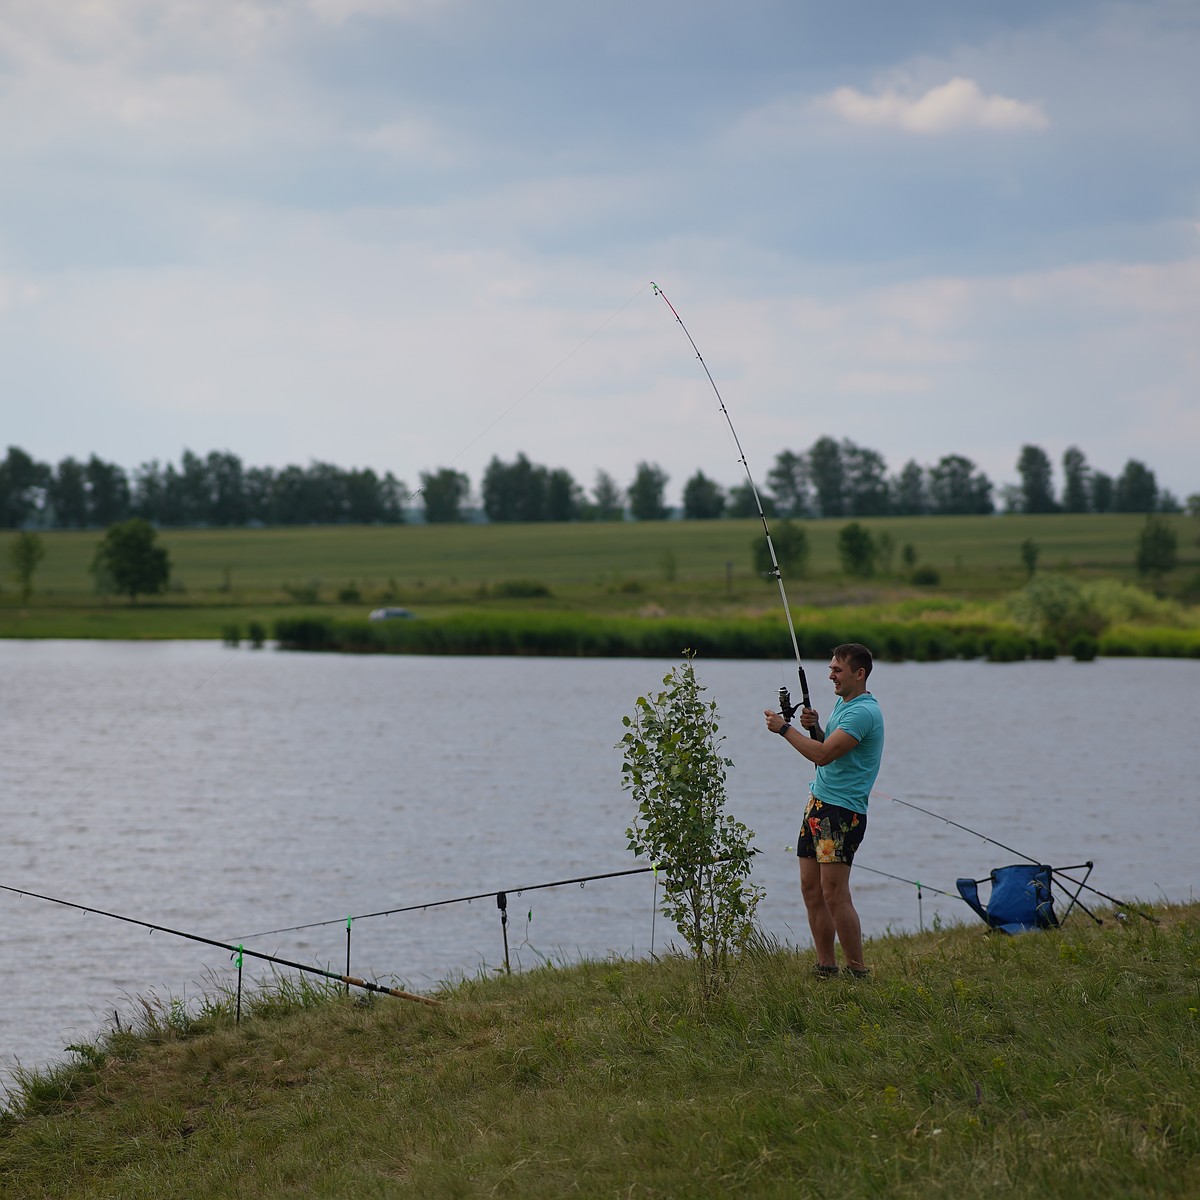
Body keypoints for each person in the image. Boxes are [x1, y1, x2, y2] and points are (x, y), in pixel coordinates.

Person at [764, 643, 884, 978]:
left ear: (859, 674)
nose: (831, 675)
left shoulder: (863, 712)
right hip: (818, 804)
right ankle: (826, 967)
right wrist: (815, 728)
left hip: (841, 812)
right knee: (811, 888)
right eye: (830, 668)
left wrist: (785, 729)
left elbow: (823, 756)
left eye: (837, 670)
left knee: (834, 893)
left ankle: (858, 971)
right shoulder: (844, 704)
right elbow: (828, 745)